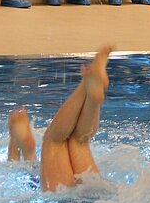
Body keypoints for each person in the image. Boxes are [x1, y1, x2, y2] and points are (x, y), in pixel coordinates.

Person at [7, 46, 112, 192]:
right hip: (66, 200)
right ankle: (87, 86)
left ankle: (92, 96)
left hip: (90, 196)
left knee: (78, 141)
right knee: (59, 141)